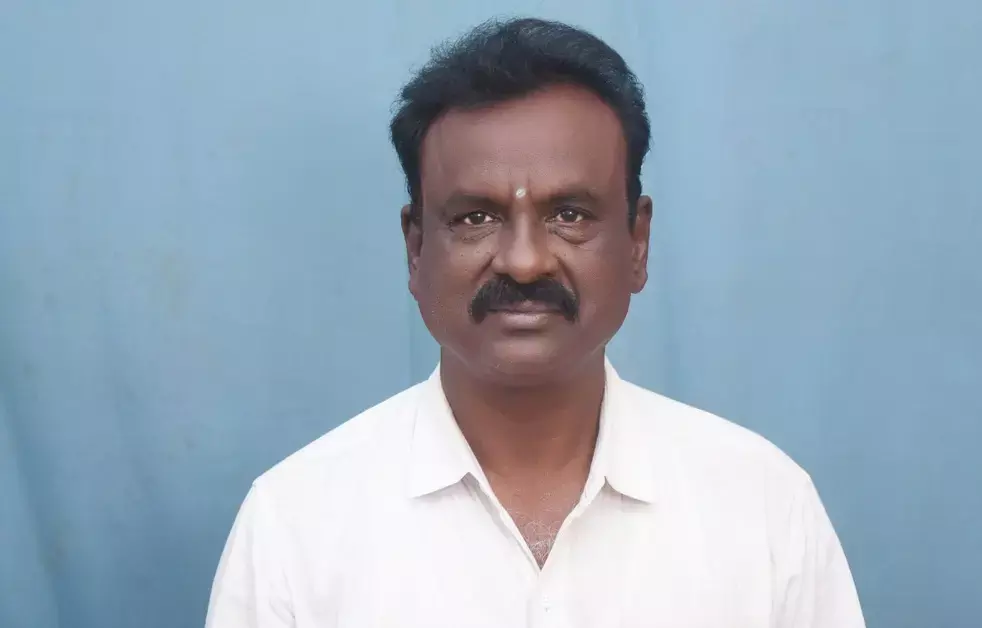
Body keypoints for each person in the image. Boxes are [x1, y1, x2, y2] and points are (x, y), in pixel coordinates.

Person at [205, 17, 865, 627]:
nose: (524, 261)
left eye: (569, 215)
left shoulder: (763, 508)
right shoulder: (295, 526)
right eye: (476, 218)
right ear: (416, 249)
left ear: (637, 243)